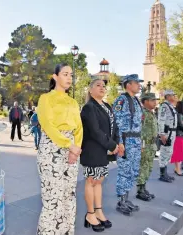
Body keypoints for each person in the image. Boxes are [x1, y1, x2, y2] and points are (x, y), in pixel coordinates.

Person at [36, 63, 83, 235]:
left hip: (72, 149)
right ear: (55, 77)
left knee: (68, 196)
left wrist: (75, 148)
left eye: (71, 74)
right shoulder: (45, 98)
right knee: (53, 197)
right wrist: (69, 145)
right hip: (52, 148)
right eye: (65, 74)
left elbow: (79, 128)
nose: (69, 78)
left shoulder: (73, 102)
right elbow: (48, 125)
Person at [80, 78, 119, 232]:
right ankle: (90, 214)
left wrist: (116, 143)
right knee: (91, 181)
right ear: (90, 90)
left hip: (104, 149)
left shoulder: (107, 106)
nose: (102, 88)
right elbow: (95, 131)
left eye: (103, 86)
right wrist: (112, 145)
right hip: (92, 149)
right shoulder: (89, 107)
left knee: (99, 180)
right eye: (98, 85)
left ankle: (98, 211)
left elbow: (113, 127)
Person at [113, 74, 143, 216]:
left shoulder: (135, 100)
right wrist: (119, 143)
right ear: (128, 85)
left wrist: (140, 142)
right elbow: (116, 124)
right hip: (126, 141)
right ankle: (121, 201)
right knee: (124, 171)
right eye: (136, 83)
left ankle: (126, 198)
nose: (139, 85)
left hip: (135, 141)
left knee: (132, 171)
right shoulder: (121, 100)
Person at [136, 93, 159, 201]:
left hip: (151, 144)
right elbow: (139, 130)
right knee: (143, 167)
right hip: (145, 145)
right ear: (145, 102)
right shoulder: (143, 113)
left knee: (148, 168)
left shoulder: (151, 113)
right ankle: (140, 191)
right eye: (152, 100)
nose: (155, 102)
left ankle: (144, 188)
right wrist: (141, 145)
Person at [158, 89, 177, 183]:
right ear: (168, 96)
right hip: (167, 132)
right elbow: (161, 120)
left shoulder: (170, 106)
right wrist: (162, 134)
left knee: (169, 152)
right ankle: (162, 174)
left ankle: (165, 172)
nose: (174, 96)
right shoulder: (164, 106)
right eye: (173, 95)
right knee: (165, 152)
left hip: (172, 132)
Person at [170, 101, 183, 176]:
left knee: (179, 154)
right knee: (179, 154)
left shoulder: (180, 114)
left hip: (181, 135)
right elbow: (180, 125)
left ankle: (177, 169)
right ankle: (178, 170)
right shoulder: (179, 115)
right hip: (179, 136)